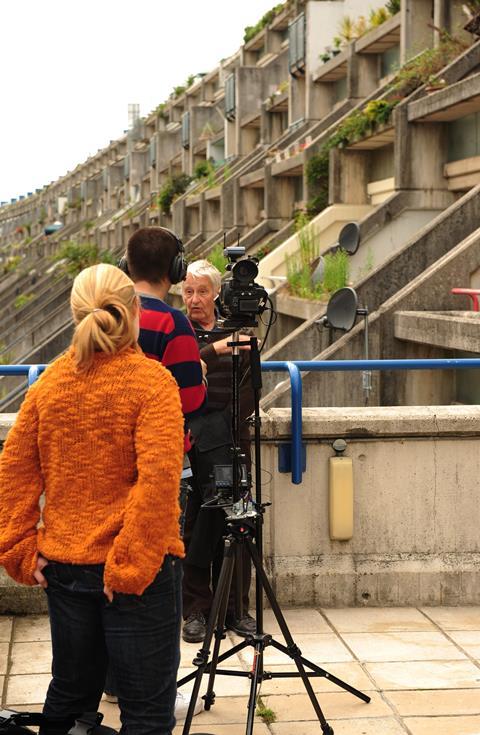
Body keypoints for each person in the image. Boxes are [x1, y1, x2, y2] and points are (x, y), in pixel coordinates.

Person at [0, 264, 184, 735]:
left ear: (74, 313)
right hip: (135, 575)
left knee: (70, 694)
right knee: (145, 713)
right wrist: (130, 564)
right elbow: (160, 480)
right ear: (136, 311)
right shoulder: (152, 382)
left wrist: (20, 548)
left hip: (65, 568)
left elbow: (14, 471)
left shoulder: (48, 386)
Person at [105, 226, 206, 719]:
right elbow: (189, 399)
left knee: (107, 570)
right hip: (160, 466)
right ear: (176, 272)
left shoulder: (105, 317)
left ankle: (110, 681)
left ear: (127, 266)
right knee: (156, 574)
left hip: (104, 467)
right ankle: (153, 688)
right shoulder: (175, 325)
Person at [181, 259, 256, 643]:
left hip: (233, 438)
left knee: (238, 521)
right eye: (188, 291)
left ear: (216, 295)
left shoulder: (237, 330)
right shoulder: (181, 333)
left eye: (202, 292)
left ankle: (234, 609)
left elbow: (251, 386)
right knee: (196, 524)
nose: (195, 299)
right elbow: (184, 370)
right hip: (194, 441)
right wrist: (218, 349)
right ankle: (195, 609)